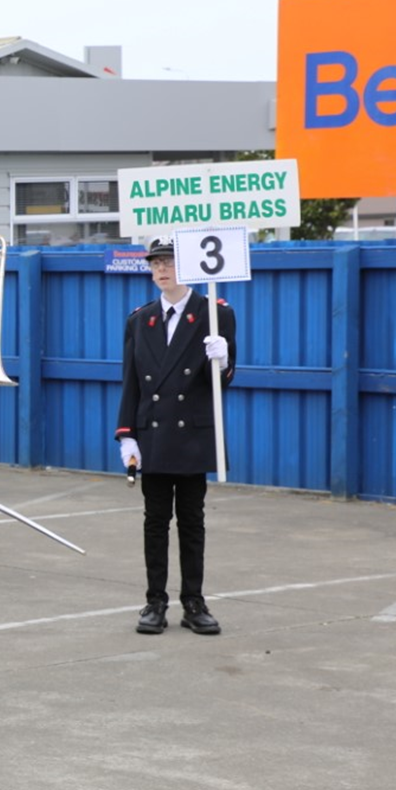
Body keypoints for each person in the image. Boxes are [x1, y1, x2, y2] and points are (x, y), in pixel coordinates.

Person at [116, 237, 236, 636]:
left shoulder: (215, 314)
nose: (161, 270)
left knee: (191, 521)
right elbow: (131, 383)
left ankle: (193, 602)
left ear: (188, 267)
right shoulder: (140, 319)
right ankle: (155, 601)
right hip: (153, 433)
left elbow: (221, 382)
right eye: (155, 264)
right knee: (155, 522)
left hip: (191, 436)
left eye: (168, 262)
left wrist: (222, 359)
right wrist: (126, 435)